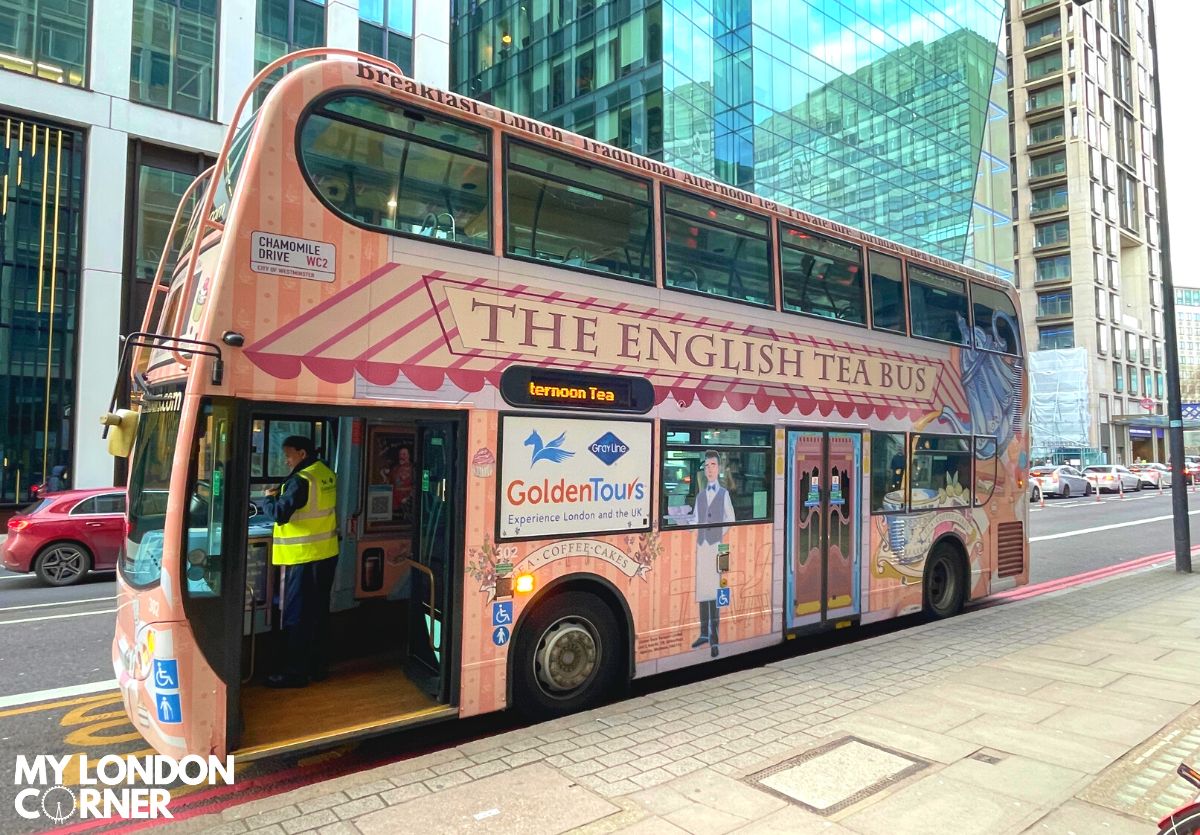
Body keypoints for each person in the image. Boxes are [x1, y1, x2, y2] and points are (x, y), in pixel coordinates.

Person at [259, 435, 339, 688]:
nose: (286, 460)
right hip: (325, 553)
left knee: (297, 616)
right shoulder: (325, 472)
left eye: (289, 455)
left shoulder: (301, 480)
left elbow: (280, 514)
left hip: (304, 556)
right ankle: (318, 668)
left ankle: (294, 673)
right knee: (318, 614)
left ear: (302, 454)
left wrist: (269, 498)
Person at [692, 450, 734, 657]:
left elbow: (731, 519)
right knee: (703, 592)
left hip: (716, 548)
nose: (709, 469)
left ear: (719, 468)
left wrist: (717, 533)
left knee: (715, 592)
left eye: (713, 465)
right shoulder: (700, 496)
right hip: (702, 548)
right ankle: (703, 634)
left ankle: (715, 639)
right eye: (706, 466)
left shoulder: (724, 494)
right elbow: (695, 520)